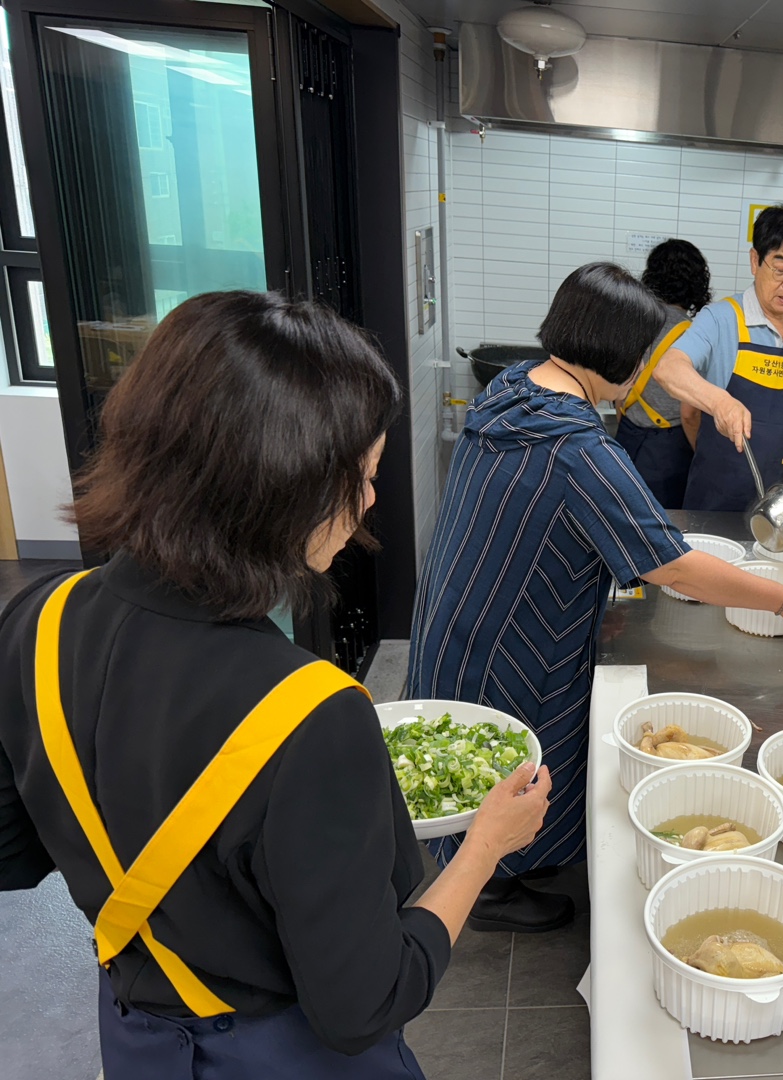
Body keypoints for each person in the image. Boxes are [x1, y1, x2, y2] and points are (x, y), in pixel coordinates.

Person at [0, 291, 553, 1077]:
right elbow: (367, 1002)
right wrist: (486, 845)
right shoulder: (310, 716)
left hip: (139, 1042)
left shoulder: (37, 619)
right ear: (281, 489)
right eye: (362, 478)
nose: (369, 502)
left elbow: (14, 854)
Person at [406, 262, 783, 933]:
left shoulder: (513, 388)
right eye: (644, 354)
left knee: (479, 748)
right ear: (620, 356)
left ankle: (502, 859)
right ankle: (489, 888)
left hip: (459, 606)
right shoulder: (580, 447)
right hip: (514, 633)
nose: (645, 368)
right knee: (507, 752)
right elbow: (673, 566)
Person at [651, 201, 783, 510]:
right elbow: (668, 369)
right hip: (717, 502)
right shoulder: (719, 319)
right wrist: (720, 402)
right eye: (780, 268)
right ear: (755, 260)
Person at [614, 238, 712, 507]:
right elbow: (689, 414)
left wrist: (628, 425)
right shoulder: (693, 335)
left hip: (627, 436)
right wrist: (700, 456)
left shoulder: (636, 321)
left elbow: (618, 391)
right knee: (663, 523)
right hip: (670, 452)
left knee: (622, 513)